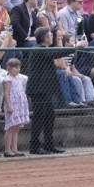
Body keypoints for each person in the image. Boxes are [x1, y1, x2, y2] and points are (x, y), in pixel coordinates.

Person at [26, 26, 68, 155]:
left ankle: (49, 143)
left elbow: (55, 56)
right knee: (39, 117)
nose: (52, 37)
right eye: (50, 35)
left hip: (46, 89)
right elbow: (54, 53)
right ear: (45, 38)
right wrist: (73, 48)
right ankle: (34, 146)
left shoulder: (45, 49)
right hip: (38, 89)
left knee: (50, 116)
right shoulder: (39, 48)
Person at [1, 57, 30, 157]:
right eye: (15, 67)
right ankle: (7, 150)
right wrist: (9, 106)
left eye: (19, 67)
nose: (18, 70)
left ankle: (14, 148)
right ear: (9, 68)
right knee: (11, 127)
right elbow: (6, 93)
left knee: (17, 127)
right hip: (12, 105)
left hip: (19, 105)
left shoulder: (18, 79)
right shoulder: (7, 80)